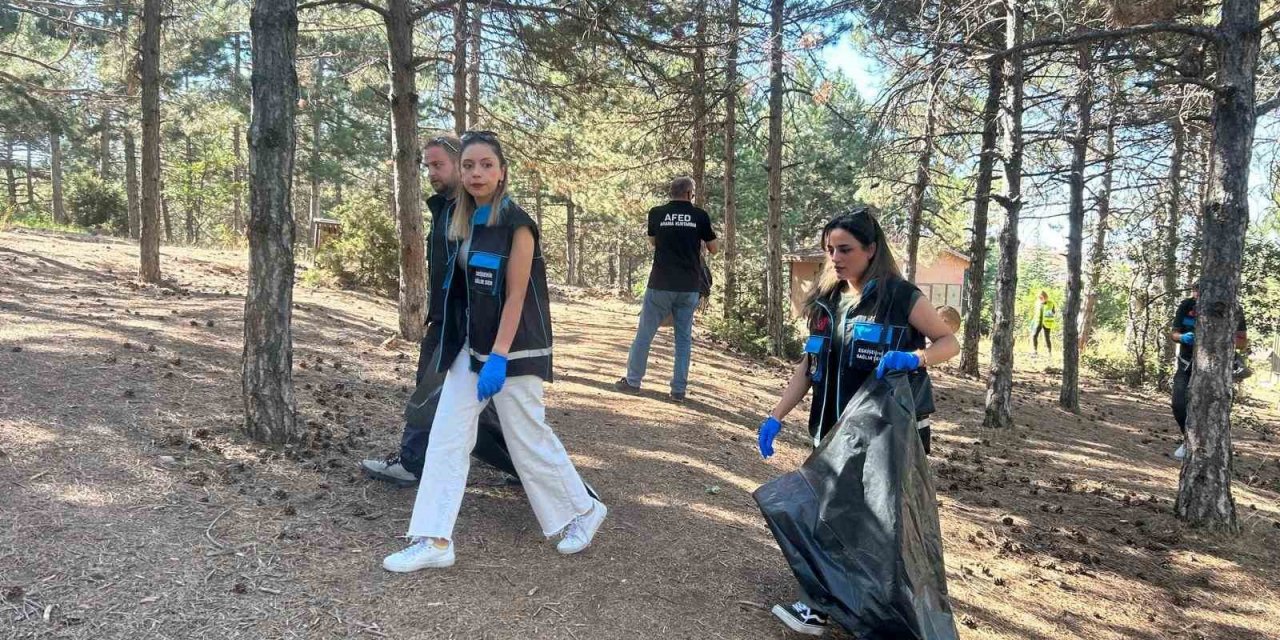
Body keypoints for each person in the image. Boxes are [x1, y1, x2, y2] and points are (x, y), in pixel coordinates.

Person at [382, 131, 605, 572]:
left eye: (486, 165)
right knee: (447, 435)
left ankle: (584, 510)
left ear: (502, 171)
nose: (476, 173)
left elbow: (517, 297)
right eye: (468, 166)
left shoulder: (516, 225)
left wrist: (500, 356)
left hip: (514, 348)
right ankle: (434, 538)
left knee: (527, 438)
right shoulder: (463, 220)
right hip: (471, 346)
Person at [754, 208, 959, 636]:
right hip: (832, 431)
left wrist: (916, 357)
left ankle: (886, 612)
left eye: (845, 249)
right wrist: (776, 416)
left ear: (871, 249)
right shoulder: (826, 303)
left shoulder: (901, 297)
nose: (836, 258)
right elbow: (808, 366)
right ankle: (822, 604)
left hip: (888, 433)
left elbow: (948, 341)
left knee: (884, 524)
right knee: (828, 514)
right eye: (830, 250)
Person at [360, 134, 519, 487]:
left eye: (439, 165)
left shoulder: (477, 213)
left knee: (431, 389)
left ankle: (412, 463)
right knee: (484, 407)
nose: (432, 172)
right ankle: (526, 467)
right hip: (445, 316)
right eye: (428, 165)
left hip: (460, 321)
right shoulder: (447, 209)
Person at [614, 176, 718, 402]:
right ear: (690, 193)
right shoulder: (700, 216)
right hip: (689, 286)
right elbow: (714, 249)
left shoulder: (657, 213)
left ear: (671, 193)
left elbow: (652, 242)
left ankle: (633, 382)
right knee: (683, 340)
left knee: (644, 334)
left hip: (660, 283)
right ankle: (678, 391)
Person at [1169, 284, 1248, 460]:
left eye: (1200, 291)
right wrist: (1183, 337)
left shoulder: (1233, 309)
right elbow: (1174, 334)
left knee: (1212, 408)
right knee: (1179, 404)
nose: (1197, 295)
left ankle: (1208, 447)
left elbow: (1242, 342)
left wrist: (1220, 337)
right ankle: (1187, 439)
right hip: (1187, 364)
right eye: (1195, 292)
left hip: (1217, 369)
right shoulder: (1186, 305)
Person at [1030, 290, 1057, 357]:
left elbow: (1053, 312)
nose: (1040, 299)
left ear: (1045, 297)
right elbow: (1035, 312)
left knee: (1047, 337)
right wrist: (1033, 321)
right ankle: (1035, 351)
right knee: (1034, 335)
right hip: (1038, 322)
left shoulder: (1051, 303)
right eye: (1039, 297)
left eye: (1041, 297)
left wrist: (1049, 316)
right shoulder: (1037, 303)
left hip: (1047, 323)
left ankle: (1049, 352)